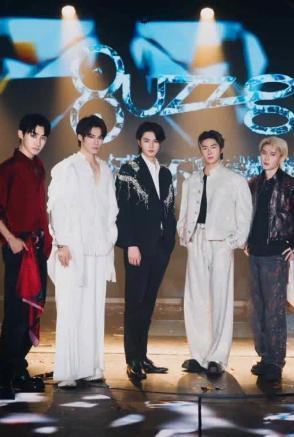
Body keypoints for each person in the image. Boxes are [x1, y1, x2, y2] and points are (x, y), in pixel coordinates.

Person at [0, 113, 52, 400]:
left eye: (43, 137)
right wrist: (11, 240)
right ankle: (4, 378)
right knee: (15, 314)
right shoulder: (6, 169)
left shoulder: (39, 167)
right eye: (33, 135)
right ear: (20, 134)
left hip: (37, 247)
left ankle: (18, 369)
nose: (38, 141)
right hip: (18, 248)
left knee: (33, 310)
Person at [47, 115, 118, 387]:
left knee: (94, 309)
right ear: (80, 137)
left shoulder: (106, 169)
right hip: (73, 248)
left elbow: (111, 210)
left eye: (100, 137)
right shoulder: (67, 168)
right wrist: (61, 243)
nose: (96, 142)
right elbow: (57, 206)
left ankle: (91, 367)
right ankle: (67, 372)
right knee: (70, 308)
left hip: (98, 250)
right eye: (91, 136)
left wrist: (109, 240)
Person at [178, 130, 252, 377]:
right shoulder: (191, 181)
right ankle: (199, 355)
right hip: (196, 240)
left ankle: (217, 357)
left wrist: (233, 242)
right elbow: (184, 213)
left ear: (221, 149)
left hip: (221, 242)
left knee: (220, 299)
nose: (209, 152)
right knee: (196, 299)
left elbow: (244, 216)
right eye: (204, 147)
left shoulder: (234, 180)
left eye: (213, 147)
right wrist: (185, 236)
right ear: (200, 150)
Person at [246, 137, 294, 382]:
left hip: (275, 256)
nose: (267, 158)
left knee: (274, 310)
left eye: (272, 154)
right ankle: (265, 357)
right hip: (254, 253)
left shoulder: (292, 186)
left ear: (282, 157)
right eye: (264, 152)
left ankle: (275, 361)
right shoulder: (254, 184)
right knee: (257, 310)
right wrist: (244, 239)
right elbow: (245, 215)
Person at [115, 121, 176, 381]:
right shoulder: (129, 170)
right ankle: (132, 360)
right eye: (147, 140)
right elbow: (122, 210)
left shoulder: (165, 173)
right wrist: (130, 243)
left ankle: (143, 356)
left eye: (156, 141)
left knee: (148, 304)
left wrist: (169, 241)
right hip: (137, 248)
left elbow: (169, 209)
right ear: (139, 142)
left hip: (160, 247)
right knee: (135, 304)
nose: (151, 145)